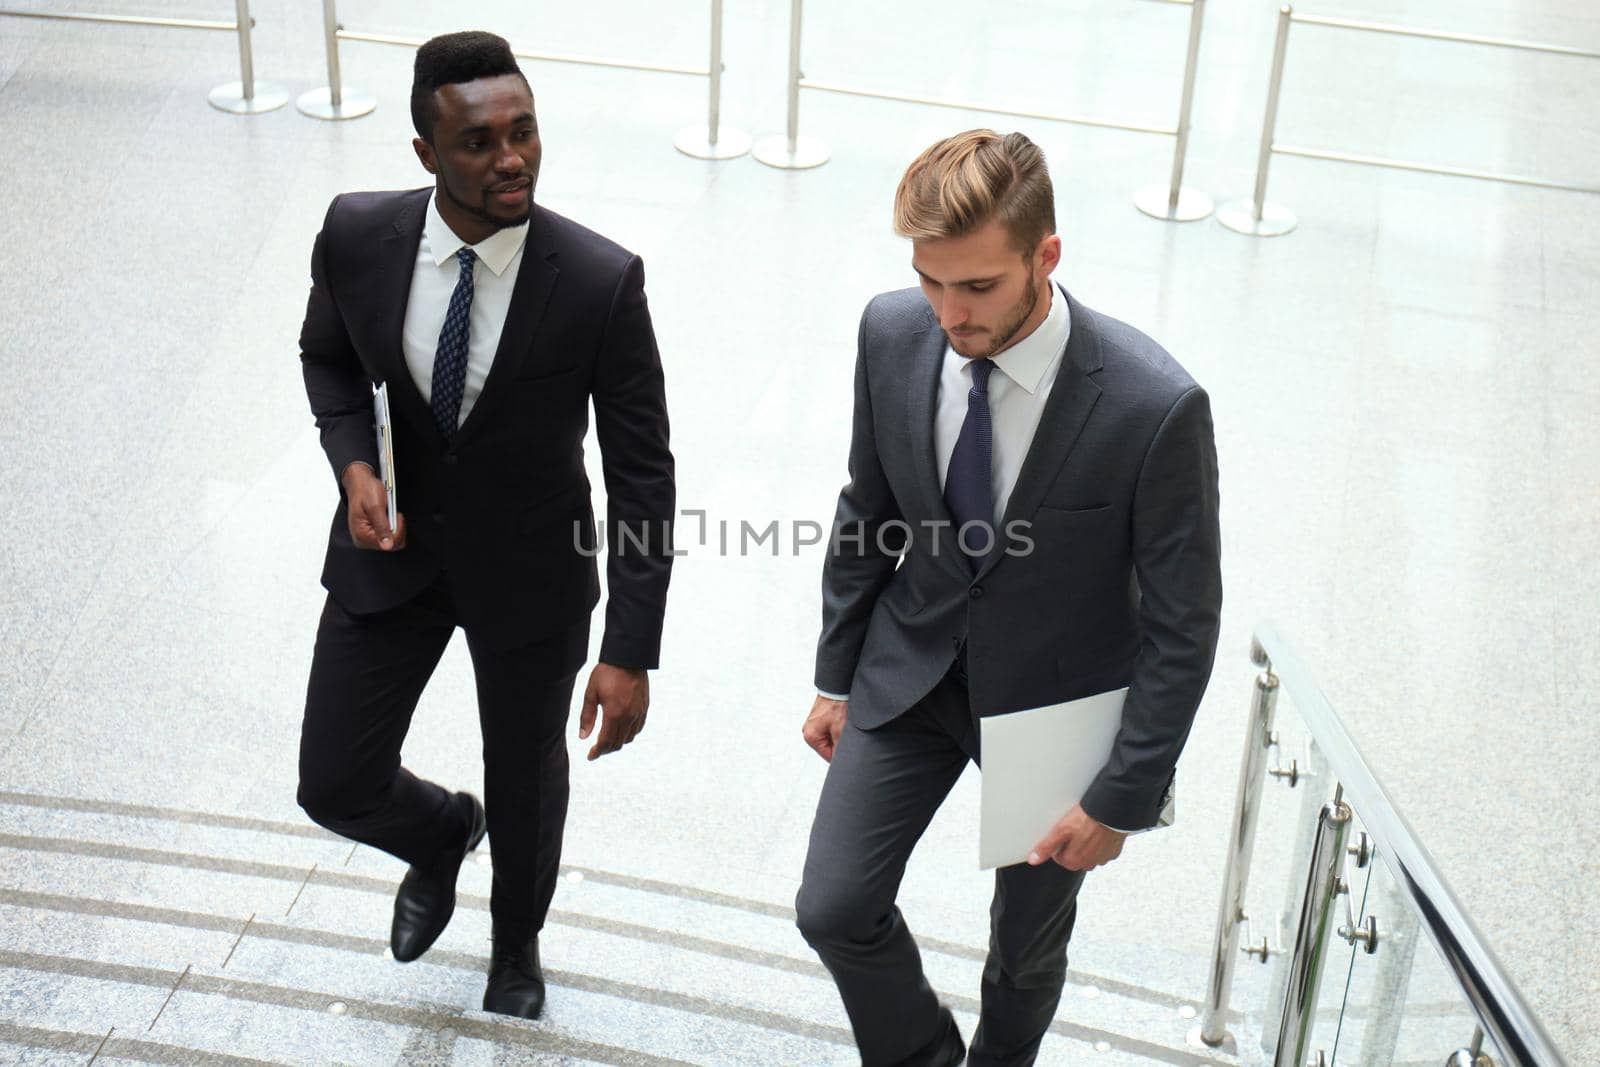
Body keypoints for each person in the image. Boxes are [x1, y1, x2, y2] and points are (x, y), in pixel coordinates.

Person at [795, 130, 1222, 1065]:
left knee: (1022, 955)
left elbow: (1184, 629)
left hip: (1055, 709)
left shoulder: (1154, 405)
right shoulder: (890, 331)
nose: (951, 311)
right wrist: (835, 673)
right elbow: (868, 510)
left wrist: (1121, 796)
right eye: (930, 280)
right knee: (831, 905)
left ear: (1046, 256)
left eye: (979, 286)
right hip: (912, 668)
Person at [294, 31, 675, 1020]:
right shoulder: (356, 234)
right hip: (393, 558)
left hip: (533, 575)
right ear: (426, 152)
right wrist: (354, 464)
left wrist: (631, 648)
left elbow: (642, 474)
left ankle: (517, 938)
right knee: (333, 778)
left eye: (524, 131)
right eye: (477, 141)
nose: (510, 158)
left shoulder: (597, 279)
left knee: (526, 774)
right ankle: (436, 832)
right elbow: (327, 356)